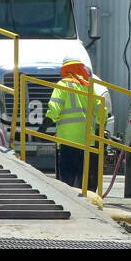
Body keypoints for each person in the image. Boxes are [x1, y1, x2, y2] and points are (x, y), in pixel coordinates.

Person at [38, 57, 102, 190]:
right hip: (87, 141)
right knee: (83, 178)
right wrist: (100, 130)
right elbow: (101, 111)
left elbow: (54, 109)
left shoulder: (63, 85)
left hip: (68, 140)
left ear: (65, 69)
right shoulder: (88, 87)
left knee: (67, 179)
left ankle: (68, 200)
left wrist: (42, 128)